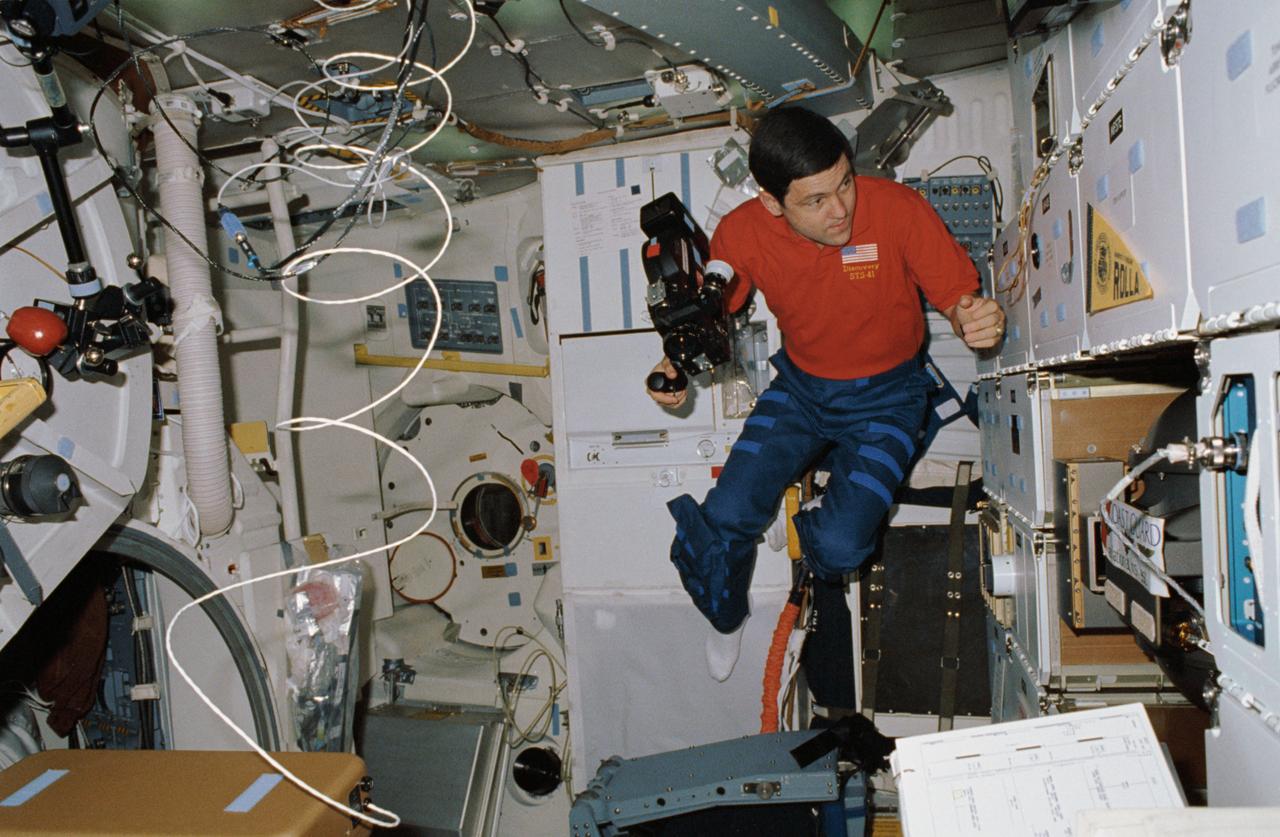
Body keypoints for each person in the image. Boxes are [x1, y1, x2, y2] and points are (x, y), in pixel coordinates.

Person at [646, 107, 1004, 681]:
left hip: (889, 398)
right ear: (772, 202)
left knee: (840, 548)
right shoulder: (741, 232)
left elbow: (959, 301)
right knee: (725, 515)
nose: (840, 210)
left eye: (845, 184)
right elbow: (713, 314)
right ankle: (727, 615)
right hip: (801, 393)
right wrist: (678, 359)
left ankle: (819, 515)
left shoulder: (898, 209)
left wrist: (975, 320)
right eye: (815, 200)